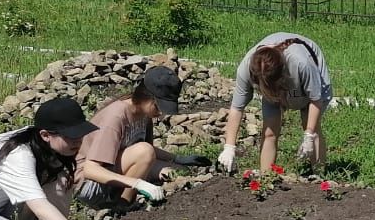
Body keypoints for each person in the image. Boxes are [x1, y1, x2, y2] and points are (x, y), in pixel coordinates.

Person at [76, 66, 209, 209]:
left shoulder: (144, 115)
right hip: (91, 185)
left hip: (114, 171)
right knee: (145, 152)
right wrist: (137, 183)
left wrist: (177, 159)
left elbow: (144, 154)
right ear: (146, 97)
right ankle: (123, 205)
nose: (161, 114)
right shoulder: (115, 117)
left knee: (176, 171)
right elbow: (90, 170)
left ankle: (127, 196)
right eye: (158, 107)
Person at [218, 33, 332, 172]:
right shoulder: (246, 68)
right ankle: (266, 177)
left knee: (310, 124)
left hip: (308, 88)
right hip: (277, 87)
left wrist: (309, 134)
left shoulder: (301, 63)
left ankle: (319, 175)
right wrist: (229, 147)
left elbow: (316, 100)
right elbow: (237, 108)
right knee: (269, 132)